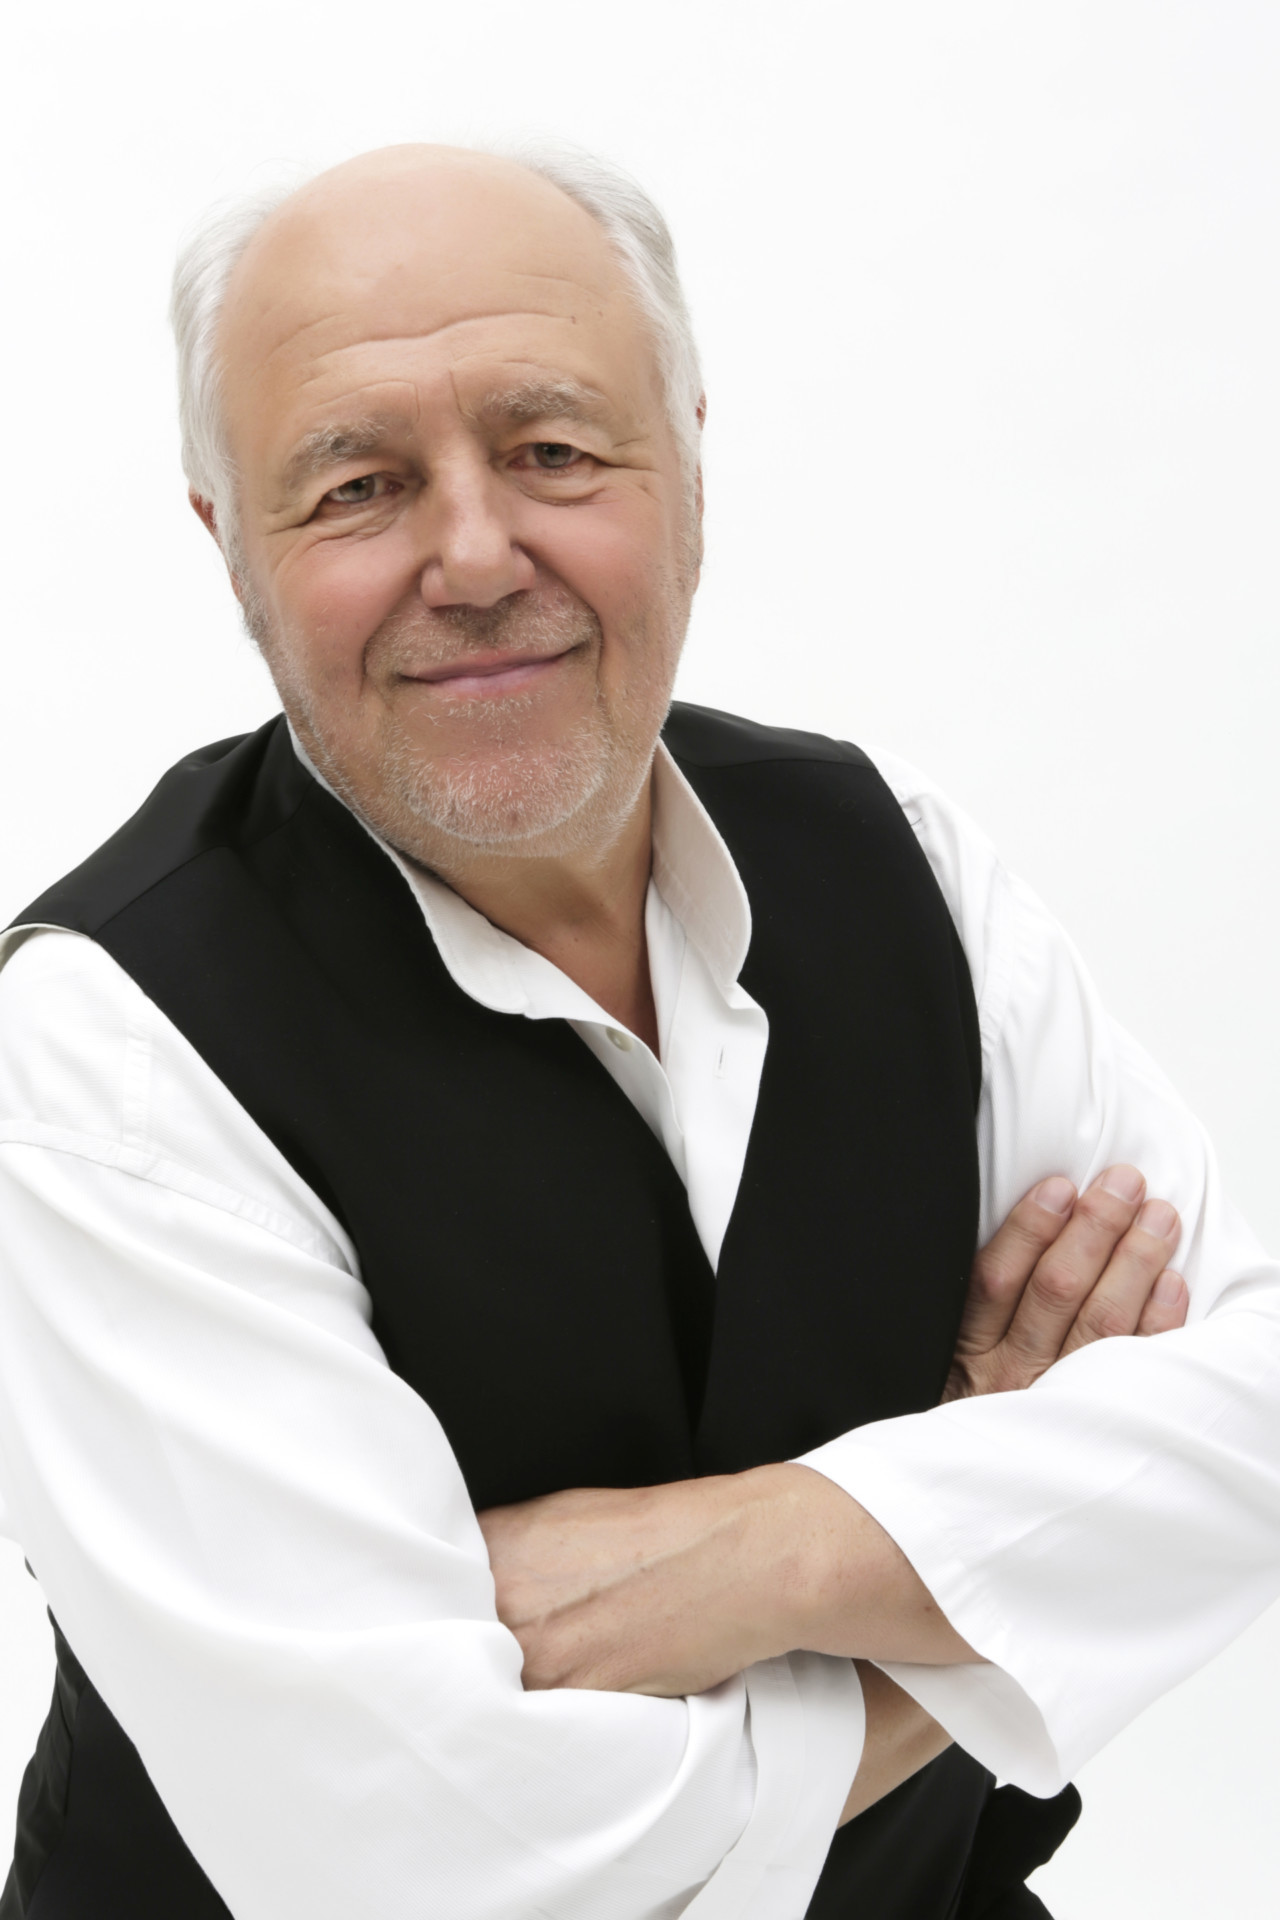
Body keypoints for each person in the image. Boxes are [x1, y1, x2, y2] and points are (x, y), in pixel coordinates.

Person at [0, 141, 1274, 1920]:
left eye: (553, 452)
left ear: (687, 460)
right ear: (232, 548)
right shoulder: (106, 1056)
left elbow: (1256, 1414)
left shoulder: (891, 852)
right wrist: (1012, 1558)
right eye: (359, 487)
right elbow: (431, 1861)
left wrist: (773, 1553)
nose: (472, 556)